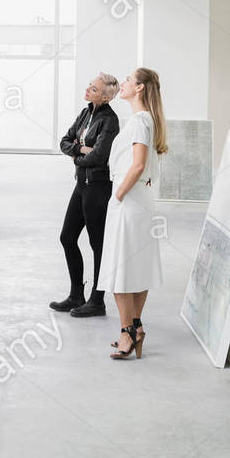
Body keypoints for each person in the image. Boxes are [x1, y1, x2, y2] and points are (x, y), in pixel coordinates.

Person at [95, 67, 168, 360]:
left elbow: (137, 165)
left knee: (118, 272)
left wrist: (119, 193)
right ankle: (135, 329)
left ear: (139, 88)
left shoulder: (139, 122)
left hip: (129, 200)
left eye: (127, 80)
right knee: (135, 270)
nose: (122, 83)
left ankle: (127, 332)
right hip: (141, 202)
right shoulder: (147, 120)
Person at [50, 73, 121, 317]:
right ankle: (76, 295)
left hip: (98, 188)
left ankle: (97, 300)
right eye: (89, 85)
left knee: (97, 244)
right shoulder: (85, 112)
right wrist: (80, 149)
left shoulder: (110, 120)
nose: (88, 89)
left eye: (93, 88)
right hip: (81, 184)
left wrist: (77, 158)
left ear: (105, 95)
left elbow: (100, 156)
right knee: (67, 237)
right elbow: (64, 141)